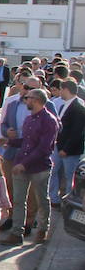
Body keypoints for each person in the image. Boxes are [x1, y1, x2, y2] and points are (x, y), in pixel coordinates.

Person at [2, 88, 60, 245]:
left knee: (41, 199)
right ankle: (16, 233)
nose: (25, 99)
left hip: (40, 167)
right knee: (19, 200)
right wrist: (10, 142)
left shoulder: (49, 120)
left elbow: (44, 148)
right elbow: (27, 142)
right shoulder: (30, 118)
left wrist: (23, 164)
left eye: (28, 97)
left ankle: (42, 229)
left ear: (35, 100)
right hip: (22, 165)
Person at [49, 79, 83, 207]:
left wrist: (66, 149)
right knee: (52, 172)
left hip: (70, 150)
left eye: (61, 89)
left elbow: (77, 132)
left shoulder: (79, 107)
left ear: (66, 90)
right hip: (59, 146)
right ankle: (54, 199)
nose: (60, 92)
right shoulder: (64, 105)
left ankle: (69, 204)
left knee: (70, 177)